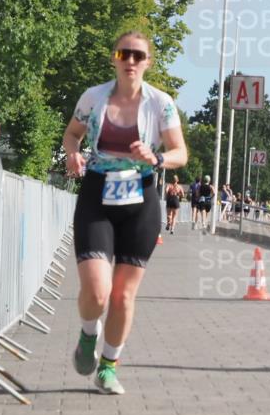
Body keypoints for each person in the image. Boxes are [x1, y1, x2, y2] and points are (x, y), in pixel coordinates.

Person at [62, 31, 188, 395]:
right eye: (124, 54)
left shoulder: (160, 104)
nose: (130, 61)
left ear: (147, 62)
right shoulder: (94, 97)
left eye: (138, 55)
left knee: (122, 296)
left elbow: (181, 152)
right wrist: (73, 153)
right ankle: (89, 334)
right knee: (98, 292)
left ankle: (108, 367)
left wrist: (158, 157)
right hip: (97, 194)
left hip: (140, 197)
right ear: (114, 59)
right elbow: (72, 135)